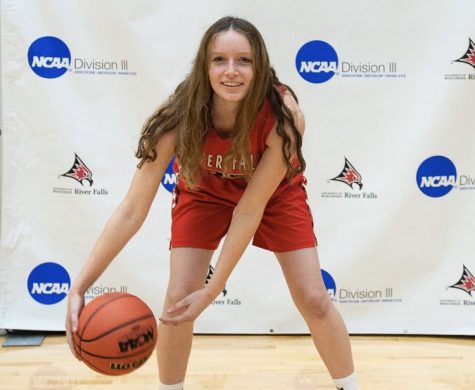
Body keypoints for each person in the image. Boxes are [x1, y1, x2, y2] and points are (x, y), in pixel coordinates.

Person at [66, 16, 360, 390]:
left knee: (314, 297)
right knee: (177, 301)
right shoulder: (178, 116)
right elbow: (131, 210)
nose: (231, 71)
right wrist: (80, 286)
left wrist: (212, 289)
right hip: (205, 190)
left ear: (261, 66)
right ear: (204, 66)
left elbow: (250, 210)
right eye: (219, 60)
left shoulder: (284, 117)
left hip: (273, 194)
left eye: (244, 60)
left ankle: (350, 386)